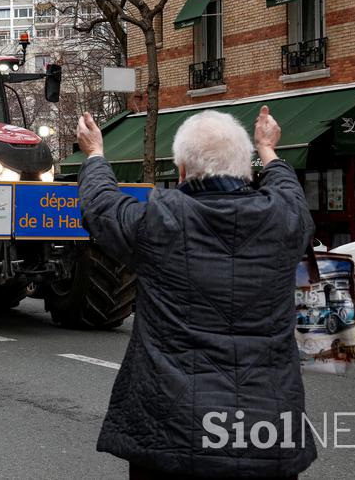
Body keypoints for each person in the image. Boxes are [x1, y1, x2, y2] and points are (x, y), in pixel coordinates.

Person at [76, 106, 315, 479]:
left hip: (172, 433)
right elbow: (287, 187)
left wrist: (95, 155)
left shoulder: (161, 222)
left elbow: (102, 206)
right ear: (247, 170)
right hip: (266, 434)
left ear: (183, 172)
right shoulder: (286, 219)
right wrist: (267, 148)